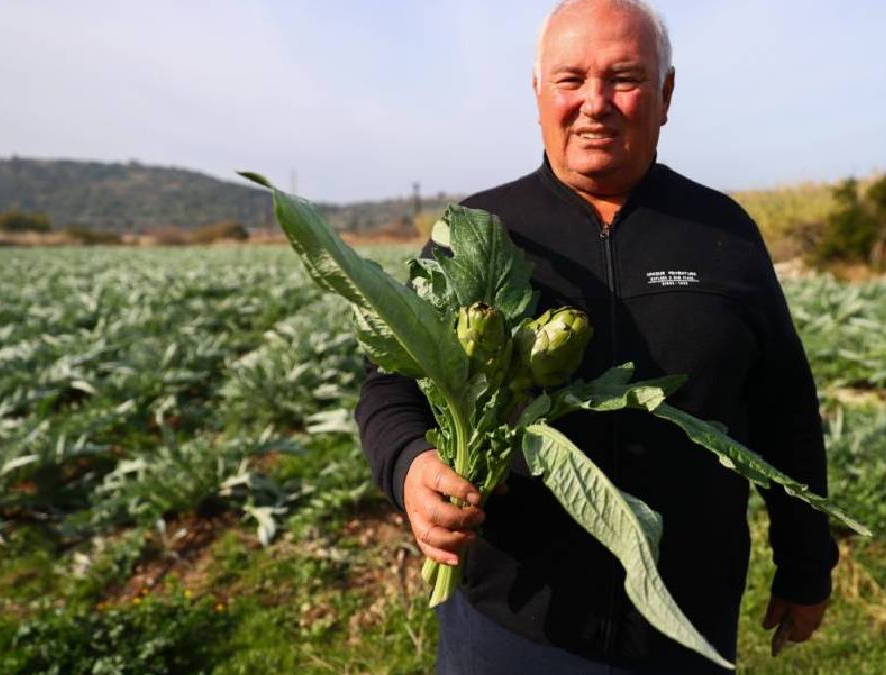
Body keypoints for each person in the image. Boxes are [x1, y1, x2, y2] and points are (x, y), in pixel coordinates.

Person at [354, 0, 838, 672]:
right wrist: (409, 464)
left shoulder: (723, 234)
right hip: (512, 619)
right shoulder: (479, 231)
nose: (595, 103)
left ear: (666, 95)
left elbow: (784, 407)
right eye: (571, 79)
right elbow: (389, 386)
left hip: (685, 622)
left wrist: (806, 562)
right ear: (538, 92)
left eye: (625, 78)